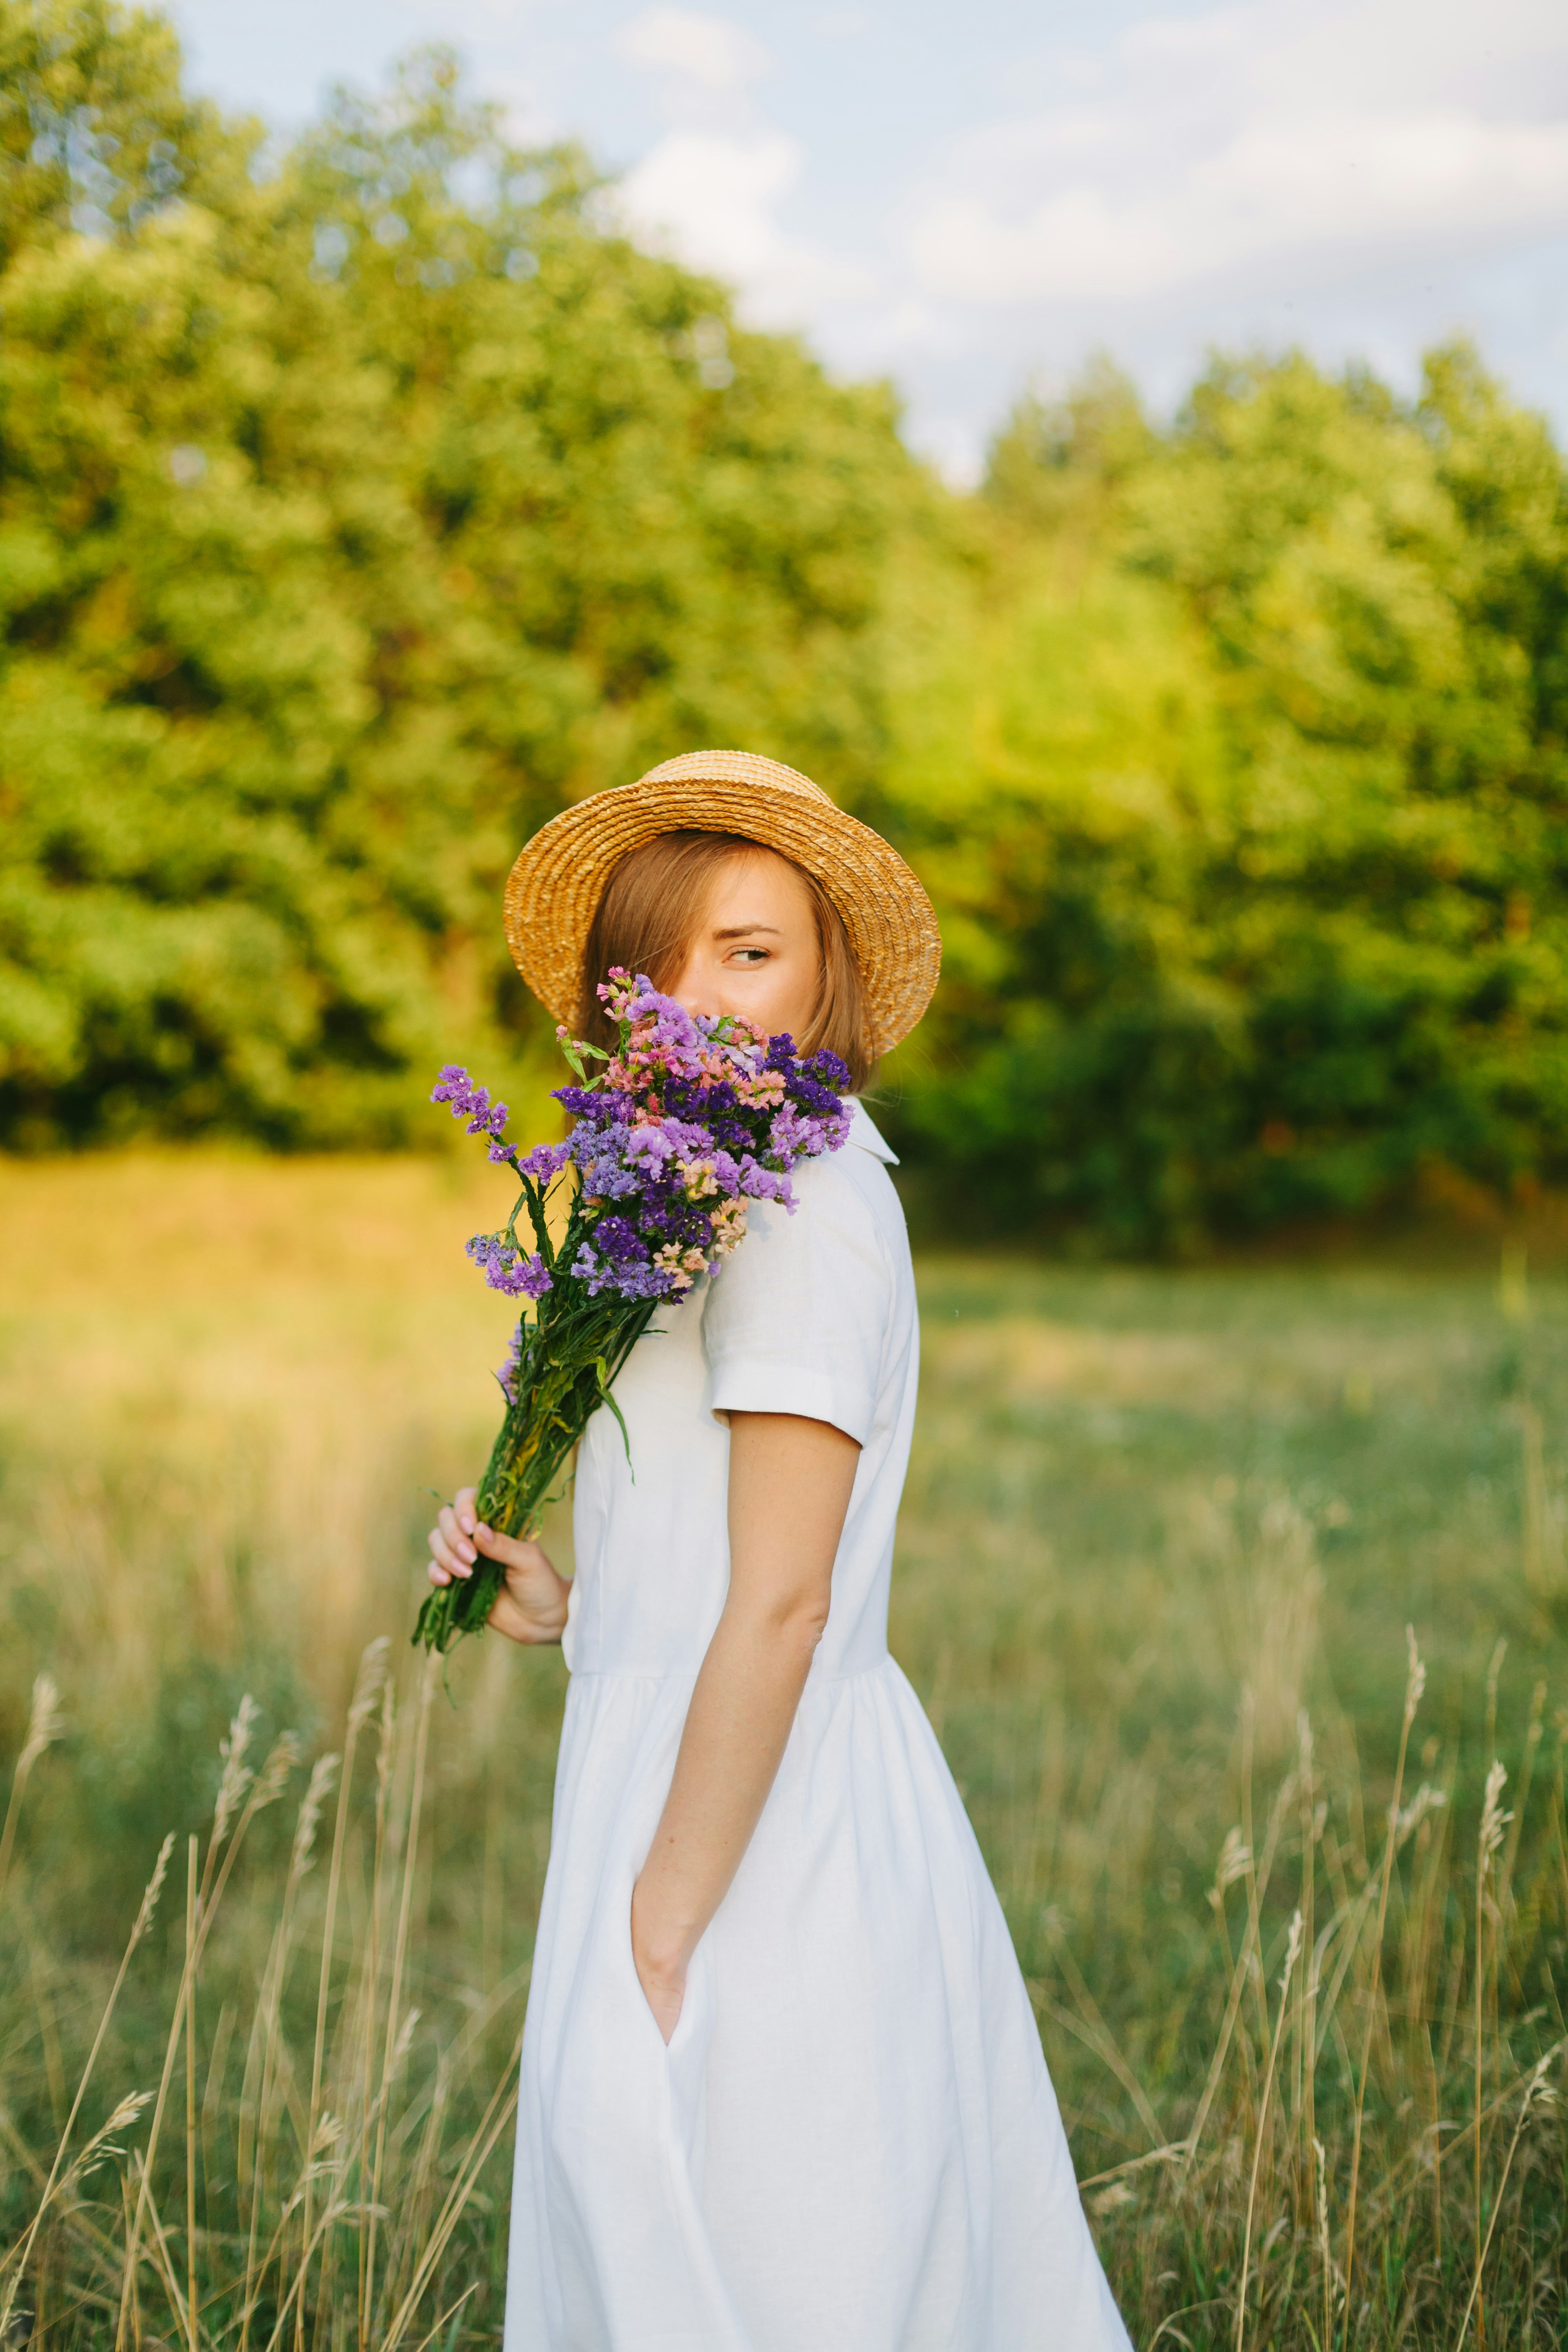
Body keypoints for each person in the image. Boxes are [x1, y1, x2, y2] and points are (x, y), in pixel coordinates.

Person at [426, 751, 1132, 2352]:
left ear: (828, 976)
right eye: (659, 964)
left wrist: (660, 1934)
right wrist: (575, 1603)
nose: (703, 1003)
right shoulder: (719, 1195)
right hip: (706, 1765)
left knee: (762, 2269)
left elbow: (789, 1604)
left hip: (759, 1831)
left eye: (750, 953)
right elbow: (729, 1545)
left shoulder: (797, 1206)